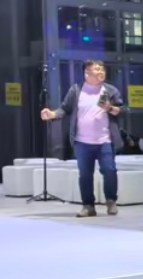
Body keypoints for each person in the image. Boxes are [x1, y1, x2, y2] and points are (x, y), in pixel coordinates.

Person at [40, 59, 126, 218]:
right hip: (82, 142)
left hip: (105, 140)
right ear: (87, 73)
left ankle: (111, 201)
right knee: (85, 175)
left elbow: (122, 110)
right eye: (97, 69)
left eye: (102, 69)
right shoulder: (76, 90)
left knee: (110, 171)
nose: (101, 72)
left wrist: (110, 108)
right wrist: (52, 114)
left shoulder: (110, 90)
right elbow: (64, 109)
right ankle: (88, 206)